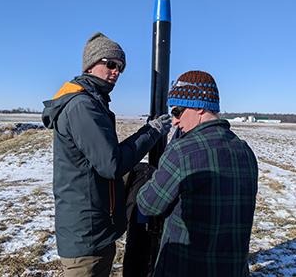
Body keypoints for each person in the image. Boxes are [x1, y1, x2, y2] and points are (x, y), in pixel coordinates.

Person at [42, 32, 171, 277]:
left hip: (96, 228)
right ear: (91, 64)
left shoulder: (94, 102)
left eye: (120, 68)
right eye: (110, 64)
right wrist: (151, 132)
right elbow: (111, 164)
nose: (116, 72)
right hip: (85, 236)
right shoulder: (83, 106)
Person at [137, 70, 258, 277]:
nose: (174, 121)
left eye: (177, 111)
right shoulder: (245, 150)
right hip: (232, 268)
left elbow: (148, 204)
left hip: (185, 266)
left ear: (199, 107)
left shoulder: (182, 152)